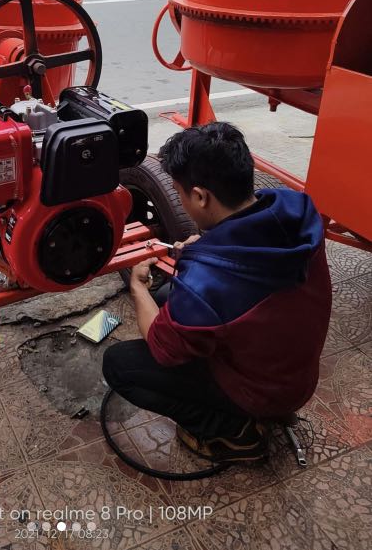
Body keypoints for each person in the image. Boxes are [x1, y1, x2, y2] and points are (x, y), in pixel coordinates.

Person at [103, 121, 331, 463]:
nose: (180, 199)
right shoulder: (296, 210)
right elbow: (247, 264)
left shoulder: (206, 284)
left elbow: (163, 349)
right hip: (295, 373)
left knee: (120, 365)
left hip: (263, 393)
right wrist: (208, 247)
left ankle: (235, 433)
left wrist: (137, 288)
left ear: (200, 196)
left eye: (180, 193)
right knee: (167, 299)